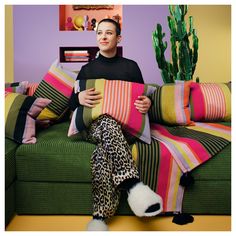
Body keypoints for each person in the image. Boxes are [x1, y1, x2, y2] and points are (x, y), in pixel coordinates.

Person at [69, 18, 163, 231]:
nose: (103, 36)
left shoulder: (131, 67)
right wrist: (79, 97)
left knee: (103, 152)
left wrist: (148, 102)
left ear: (118, 38)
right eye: (99, 32)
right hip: (93, 126)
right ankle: (134, 186)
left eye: (109, 33)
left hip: (125, 127)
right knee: (107, 120)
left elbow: (143, 97)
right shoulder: (87, 69)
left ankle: (99, 218)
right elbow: (71, 103)